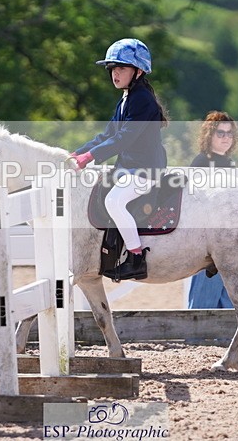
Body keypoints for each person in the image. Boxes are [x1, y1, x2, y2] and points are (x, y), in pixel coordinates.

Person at [70, 38, 168, 281]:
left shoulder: (142, 99)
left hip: (146, 170)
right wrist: (75, 154)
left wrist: (90, 156)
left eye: (121, 68)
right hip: (129, 168)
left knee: (114, 201)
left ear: (139, 70)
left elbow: (124, 139)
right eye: (112, 69)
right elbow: (107, 135)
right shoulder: (126, 98)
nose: (115, 73)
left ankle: (135, 257)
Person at [188, 111, 237, 309]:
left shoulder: (230, 163)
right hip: (206, 238)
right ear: (210, 135)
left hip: (227, 236)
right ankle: (197, 334)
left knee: (229, 289)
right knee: (205, 288)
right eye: (220, 133)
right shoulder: (201, 162)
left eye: (229, 133)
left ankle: (226, 333)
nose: (226, 138)